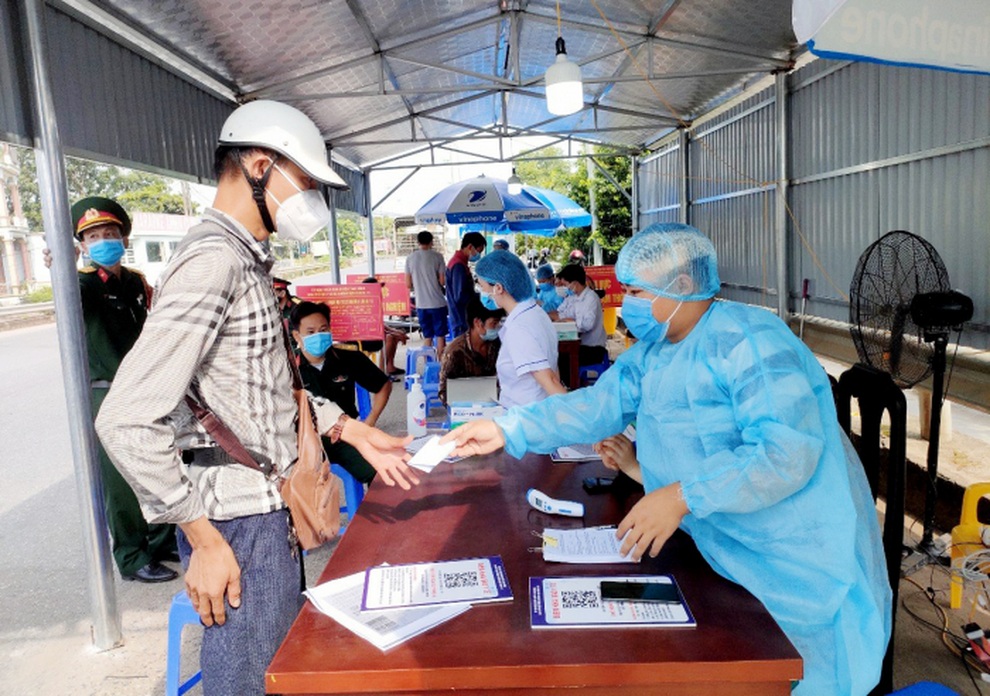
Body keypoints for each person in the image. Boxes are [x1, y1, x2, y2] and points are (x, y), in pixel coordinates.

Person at [444, 223, 891, 696]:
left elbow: (785, 455)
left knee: (789, 675)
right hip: (718, 541)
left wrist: (682, 496)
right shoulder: (656, 353)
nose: (627, 304)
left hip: (788, 558)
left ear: (680, 286)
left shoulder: (752, 341)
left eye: (635, 291)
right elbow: (598, 405)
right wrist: (506, 428)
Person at [96, 100, 420, 696]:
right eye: (307, 182)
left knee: (275, 674)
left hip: (267, 515)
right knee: (248, 681)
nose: (314, 202)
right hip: (237, 523)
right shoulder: (212, 262)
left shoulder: (244, 260)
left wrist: (347, 427)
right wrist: (202, 536)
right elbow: (124, 418)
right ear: (261, 164)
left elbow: (261, 391)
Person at [70, 196, 179, 583]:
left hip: (146, 386)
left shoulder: (134, 282)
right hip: (107, 391)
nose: (103, 241)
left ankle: (161, 539)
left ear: (124, 238)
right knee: (121, 478)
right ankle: (132, 556)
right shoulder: (80, 286)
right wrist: (60, 271)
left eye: (111, 234)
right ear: (82, 246)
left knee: (162, 461)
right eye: (93, 236)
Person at [291, 301, 391, 484]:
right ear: (297, 335)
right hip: (306, 443)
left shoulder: (348, 358)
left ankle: (375, 511)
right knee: (293, 484)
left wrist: (370, 420)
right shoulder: (289, 368)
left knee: (381, 473)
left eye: (323, 329)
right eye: (311, 332)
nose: (318, 336)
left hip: (346, 437)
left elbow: (383, 385)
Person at [474, 250, 566, 408]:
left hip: (525, 417)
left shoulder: (520, 327)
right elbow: (554, 373)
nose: (483, 293)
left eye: (483, 287)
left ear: (498, 288)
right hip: (533, 411)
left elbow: (550, 381)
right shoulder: (536, 313)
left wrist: (579, 421)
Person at [438, 297, 504, 405]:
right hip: (465, 409)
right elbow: (444, 392)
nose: (498, 327)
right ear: (478, 323)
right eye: (494, 323)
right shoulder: (455, 352)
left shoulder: (498, 345)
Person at [548, 264, 608, 367]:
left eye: (566, 285)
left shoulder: (591, 298)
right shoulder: (575, 297)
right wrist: (563, 319)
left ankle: (570, 383)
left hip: (593, 348)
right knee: (554, 354)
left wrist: (569, 321)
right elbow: (562, 314)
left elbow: (587, 325)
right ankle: (568, 382)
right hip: (581, 344)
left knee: (562, 358)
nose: (566, 288)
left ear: (575, 283)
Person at [405, 230, 447, 359]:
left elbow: (408, 284)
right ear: (431, 242)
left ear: (418, 242)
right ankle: (441, 364)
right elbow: (442, 281)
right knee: (440, 335)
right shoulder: (438, 256)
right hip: (437, 303)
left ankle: (428, 363)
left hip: (421, 304)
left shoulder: (410, 258)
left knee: (427, 336)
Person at [357, 276, 408, 380]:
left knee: (393, 336)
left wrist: (396, 331)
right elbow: (376, 328)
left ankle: (390, 367)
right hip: (364, 338)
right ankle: (381, 372)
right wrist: (395, 333)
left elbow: (381, 324)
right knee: (389, 338)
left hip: (375, 335)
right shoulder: (364, 305)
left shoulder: (375, 302)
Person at [445, 231, 486, 338]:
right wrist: (478, 298)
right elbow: (460, 296)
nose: (478, 255)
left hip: (461, 316)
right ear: (470, 247)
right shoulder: (458, 265)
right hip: (460, 318)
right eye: (478, 251)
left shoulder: (460, 263)